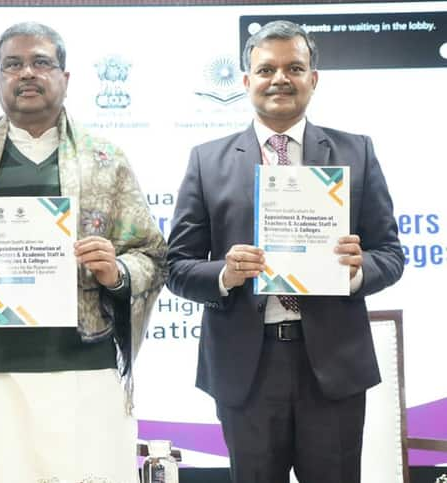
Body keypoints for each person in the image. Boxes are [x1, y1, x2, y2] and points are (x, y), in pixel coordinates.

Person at [0, 22, 167, 483]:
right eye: (13, 64)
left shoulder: (107, 161)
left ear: (66, 77)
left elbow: (152, 256)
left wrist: (117, 272)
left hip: (84, 368)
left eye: (41, 62)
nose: (27, 73)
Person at [165, 20, 404, 483]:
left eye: (294, 67)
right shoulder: (206, 160)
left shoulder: (357, 153)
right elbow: (177, 267)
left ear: (313, 79)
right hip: (246, 371)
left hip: (333, 368)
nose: (280, 79)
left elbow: (390, 254)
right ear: (245, 81)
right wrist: (226, 274)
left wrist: (356, 270)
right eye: (266, 69)